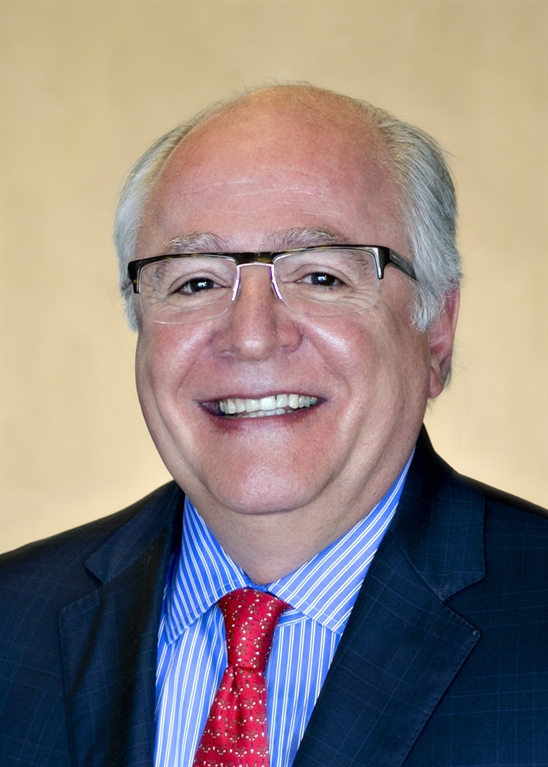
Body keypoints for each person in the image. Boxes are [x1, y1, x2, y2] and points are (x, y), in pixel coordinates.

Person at [1, 84, 546, 767]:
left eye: (321, 275)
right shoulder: (10, 623)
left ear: (435, 329)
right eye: (194, 282)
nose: (252, 336)